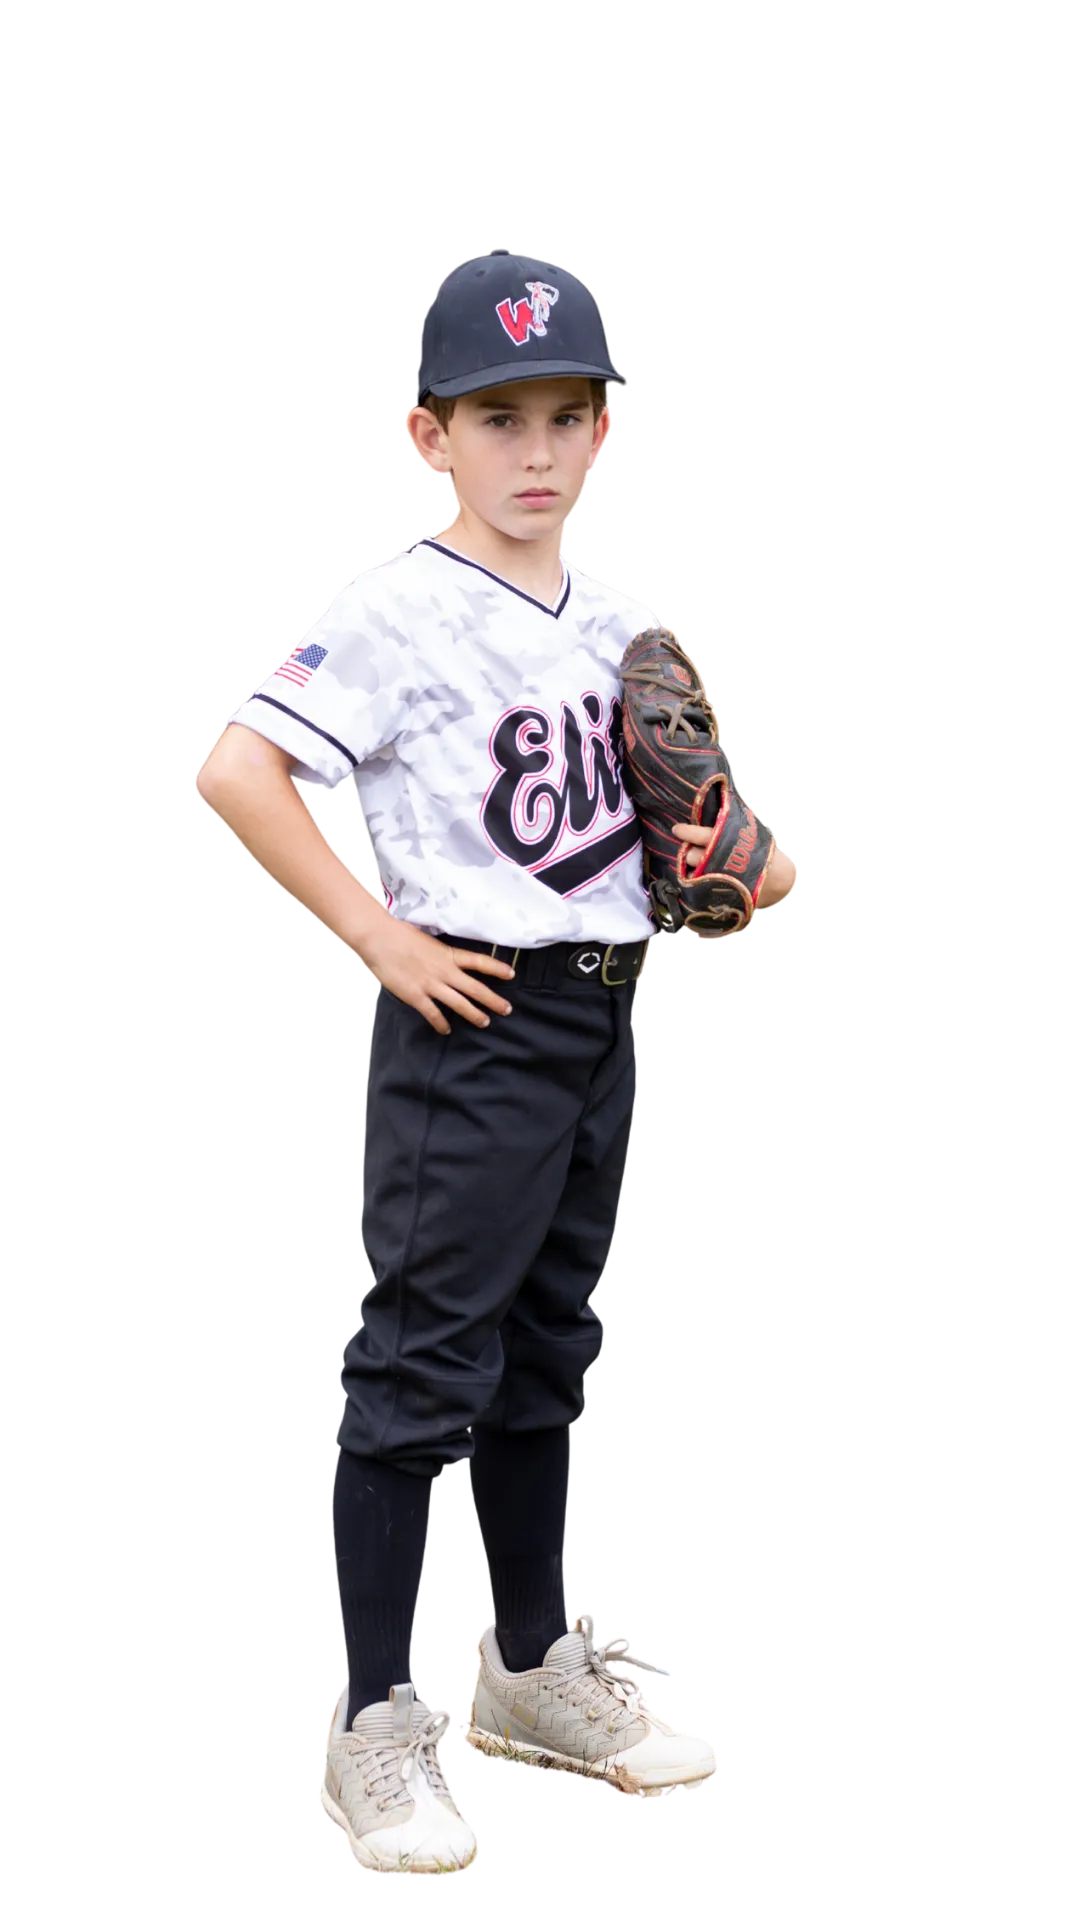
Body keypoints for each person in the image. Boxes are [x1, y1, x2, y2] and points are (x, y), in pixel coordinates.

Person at [195, 253, 795, 1873]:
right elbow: (239, 769)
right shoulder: (394, 606)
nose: (535, 448)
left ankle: (529, 1669)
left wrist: (746, 864)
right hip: (470, 1015)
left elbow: (707, 845)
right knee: (421, 1363)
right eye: (497, 417)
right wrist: (375, 936)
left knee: (553, 1347)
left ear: (605, 431)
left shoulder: (622, 623)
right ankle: (373, 1720)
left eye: (565, 415)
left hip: (606, 1006)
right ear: (429, 436)